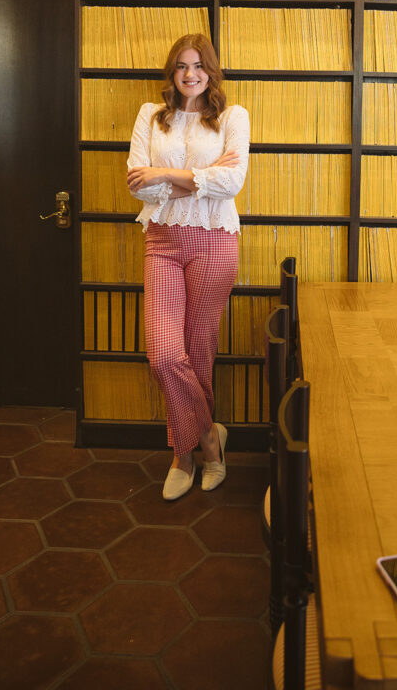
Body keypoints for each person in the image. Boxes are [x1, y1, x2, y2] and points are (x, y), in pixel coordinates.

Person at [126, 33, 250, 501]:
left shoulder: (232, 117)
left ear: (211, 71)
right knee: (162, 354)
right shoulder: (149, 116)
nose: (190, 74)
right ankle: (206, 441)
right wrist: (195, 181)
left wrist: (163, 175)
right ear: (171, 72)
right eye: (181, 66)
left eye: (198, 65)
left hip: (215, 243)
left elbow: (232, 181)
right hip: (162, 242)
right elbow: (137, 185)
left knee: (198, 356)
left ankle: (184, 456)